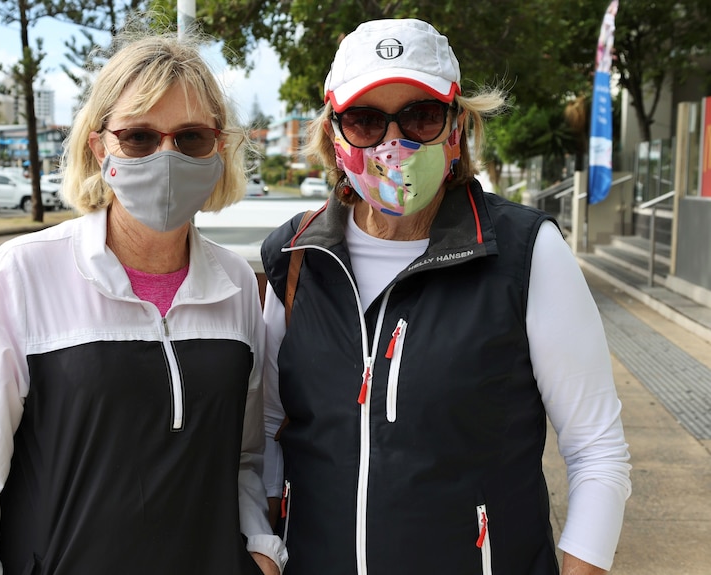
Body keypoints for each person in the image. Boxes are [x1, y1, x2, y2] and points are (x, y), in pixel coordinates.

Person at [0, 26, 286, 575]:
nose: (166, 156)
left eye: (191, 138)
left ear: (219, 149)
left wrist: (259, 547)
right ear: (98, 144)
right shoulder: (22, 275)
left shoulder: (236, 285)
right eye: (140, 137)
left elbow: (244, 456)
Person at [260, 18, 631, 575]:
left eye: (420, 116)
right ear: (335, 137)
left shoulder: (526, 252)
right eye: (364, 121)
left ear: (456, 128)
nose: (394, 143)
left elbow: (596, 452)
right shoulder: (295, 257)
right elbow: (265, 434)